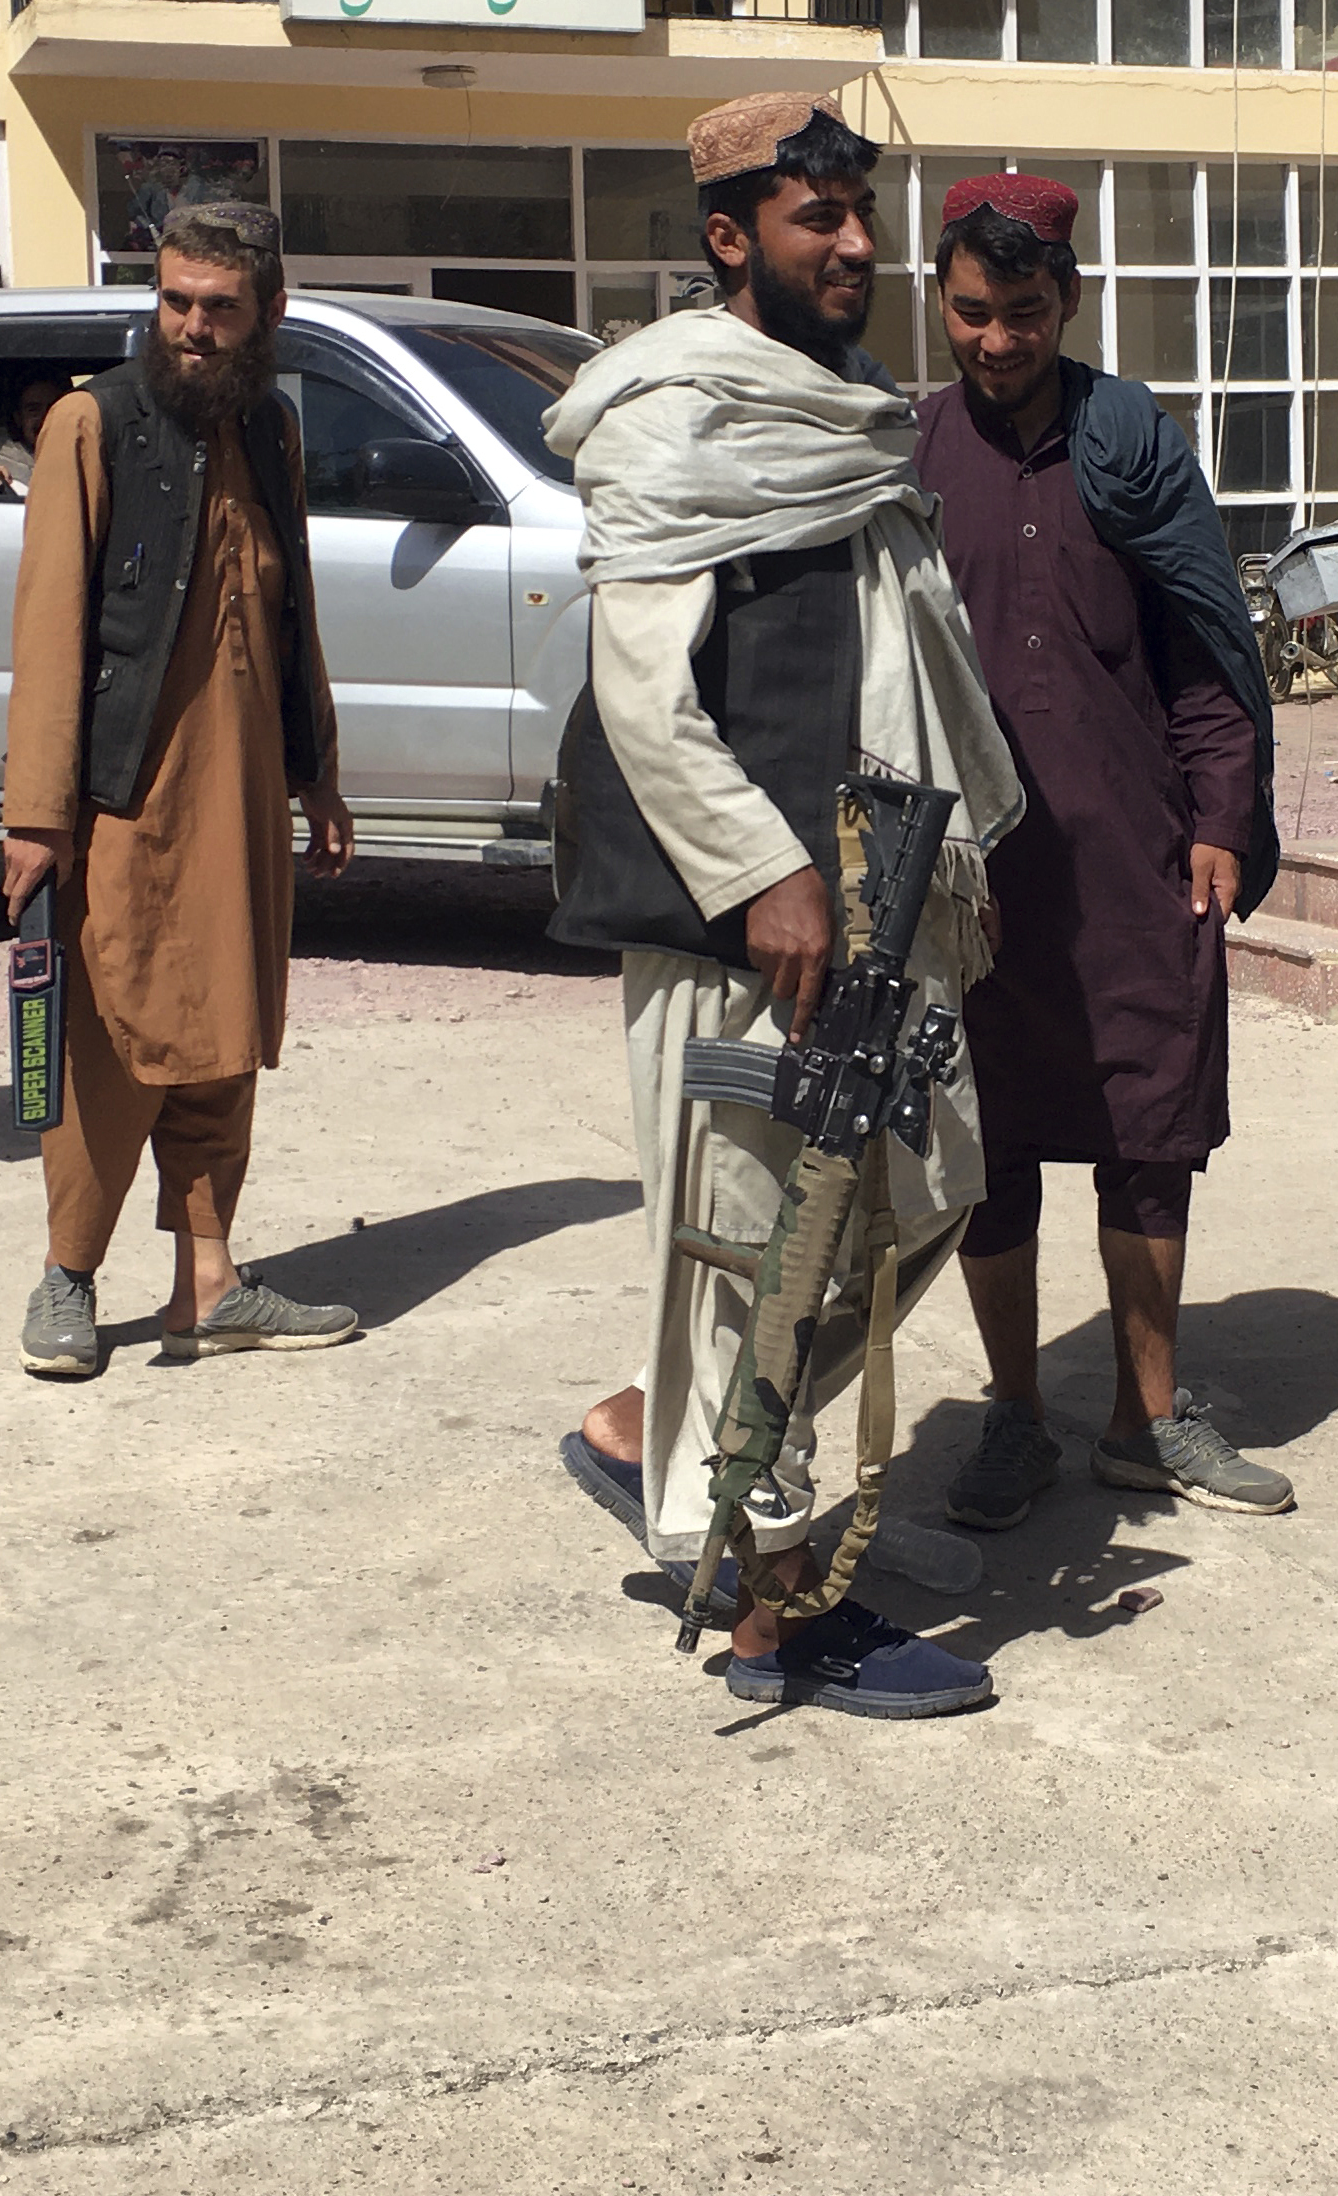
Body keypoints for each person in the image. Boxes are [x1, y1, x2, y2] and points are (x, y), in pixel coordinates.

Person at [546, 92, 1025, 1721]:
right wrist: (764, 871)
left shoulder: (848, 412)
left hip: (887, 890)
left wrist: (949, 887)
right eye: (812, 215)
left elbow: (909, 651)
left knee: (921, 1194)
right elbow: (640, 689)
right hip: (745, 911)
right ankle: (771, 1612)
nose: (852, 242)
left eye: (856, 208)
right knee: (769, 1253)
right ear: (729, 236)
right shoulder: (677, 418)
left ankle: (660, 1445)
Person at [911, 173, 1291, 1526]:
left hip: (1132, 857)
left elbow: (1207, 651)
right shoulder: (907, 453)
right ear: (937, 302)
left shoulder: (1130, 444)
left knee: (1148, 1131)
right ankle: (1012, 1414)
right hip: (968, 877)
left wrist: (1217, 820)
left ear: (1064, 300)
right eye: (971, 312)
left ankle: (1144, 1415)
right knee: (987, 1142)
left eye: (1023, 313)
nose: (997, 340)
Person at [2, 200, 360, 1382]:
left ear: (271, 314)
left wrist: (318, 771)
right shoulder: (89, 424)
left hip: (246, 794)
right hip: (126, 798)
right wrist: (37, 821)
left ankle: (206, 1284)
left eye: (219, 308)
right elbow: (51, 629)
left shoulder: (273, 431)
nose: (194, 329)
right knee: (110, 1034)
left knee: (227, 1031)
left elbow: (293, 599)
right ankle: (68, 1275)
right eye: (175, 303)